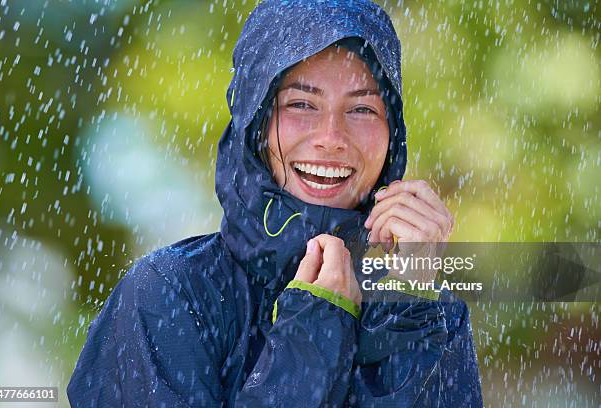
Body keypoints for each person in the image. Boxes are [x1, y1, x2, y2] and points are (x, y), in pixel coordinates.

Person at [67, 0, 483, 406]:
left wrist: (407, 305)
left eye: (361, 108)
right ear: (256, 124)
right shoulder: (169, 294)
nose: (331, 136)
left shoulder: (429, 311)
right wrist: (314, 329)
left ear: (393, 133)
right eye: (301, 104)